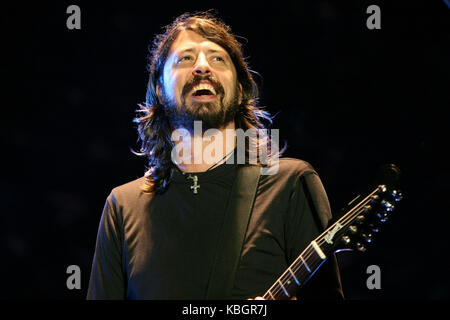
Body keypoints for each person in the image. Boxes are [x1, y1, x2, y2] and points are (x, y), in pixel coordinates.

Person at [87, 11, 344, 300]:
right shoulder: (123, 206)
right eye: (185, 58)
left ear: (240, 90)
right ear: (159, 88)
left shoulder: (290, 185)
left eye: (217, 58)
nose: (201, 67)